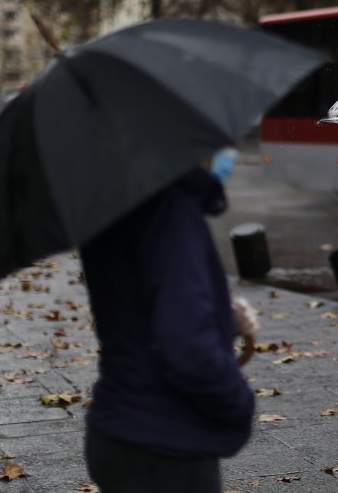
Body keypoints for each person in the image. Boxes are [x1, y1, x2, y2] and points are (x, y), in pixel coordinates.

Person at [80, 147, 255, 493]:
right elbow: (188, 348)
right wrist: (239, 402)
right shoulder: (171, 209)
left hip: (118, 428)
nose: (229, 150)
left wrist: (221, 316)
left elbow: (134, 308)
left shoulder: (113, 199)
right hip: (166, 445)